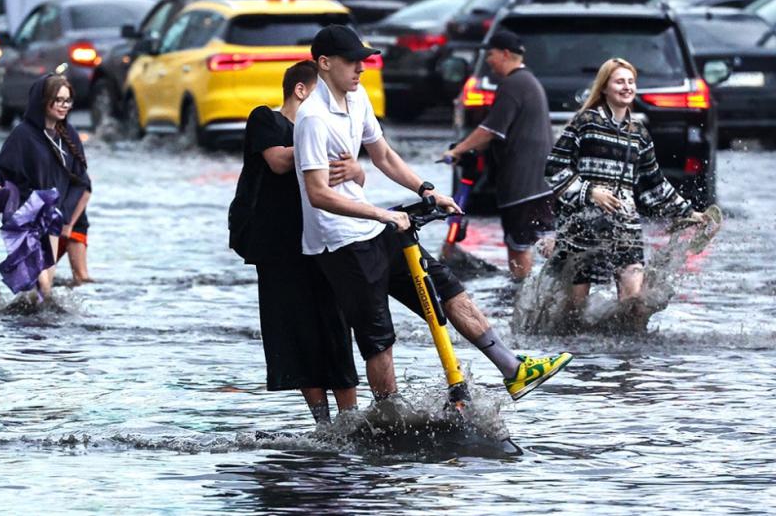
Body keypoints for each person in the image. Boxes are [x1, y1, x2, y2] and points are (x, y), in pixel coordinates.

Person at [293, 25, 572, 402]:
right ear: (324, 64)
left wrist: (427, 190)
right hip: (341, 243)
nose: (361, 69)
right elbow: (318, 194)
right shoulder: (312, 117)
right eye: (352, 62)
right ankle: (389, 418)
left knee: (448, 289)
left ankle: (513, 369)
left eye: (364, 61)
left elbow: (385, 156)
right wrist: (382, 214)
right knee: (379, 340)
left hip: (376, 228)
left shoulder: (357, 101)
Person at [228, 60, 363, 424]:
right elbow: (279, 162)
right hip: (278, 247)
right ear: (301, 90)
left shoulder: (329, 127)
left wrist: (353, 166)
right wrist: (323, 151)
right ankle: (322, 422)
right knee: (295, 331)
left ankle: (349, 418)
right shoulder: (266, 120)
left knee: (336, 327)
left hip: (322, 242)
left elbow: (355, 176)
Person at [544, 57, 707, 326]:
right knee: (574, 310)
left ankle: (627, 358)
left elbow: (654, 183)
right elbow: (554, 168)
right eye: (620, 81)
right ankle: (576, 356)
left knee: (633, 301)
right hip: (582, 225)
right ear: (604, 87)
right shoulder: (585, 123)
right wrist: (590, 192)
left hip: (625, 225)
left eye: (631, 82)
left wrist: (690, 213)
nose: (627, 87)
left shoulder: (639, 133)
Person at [443, 30, 554, 284]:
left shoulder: (513, 84)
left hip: (523, 185)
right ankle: (561, 283)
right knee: (542, 238)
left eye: (490, 54)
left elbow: (490, 130)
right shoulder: (528, 81)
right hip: (539, 182)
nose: (489, 61)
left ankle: (520, 293)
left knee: (518, 244)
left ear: (505, 54)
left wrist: (456, 150)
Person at [0, 73, 91, 298]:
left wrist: (67, 218)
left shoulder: (69, 135)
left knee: (43, 290)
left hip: (52, 217)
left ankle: (41, 328)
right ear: (43, 101)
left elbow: (82, 182)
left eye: (68, 100)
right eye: (58, 100)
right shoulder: (23, 135)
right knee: (37, 283)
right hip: (26, 214)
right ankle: (22, 325)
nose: (64, 106)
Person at [56, 209, 93, 286]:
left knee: (81, 277)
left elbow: (85, 196)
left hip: (73, 225)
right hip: (52, 223)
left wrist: (70, 225)